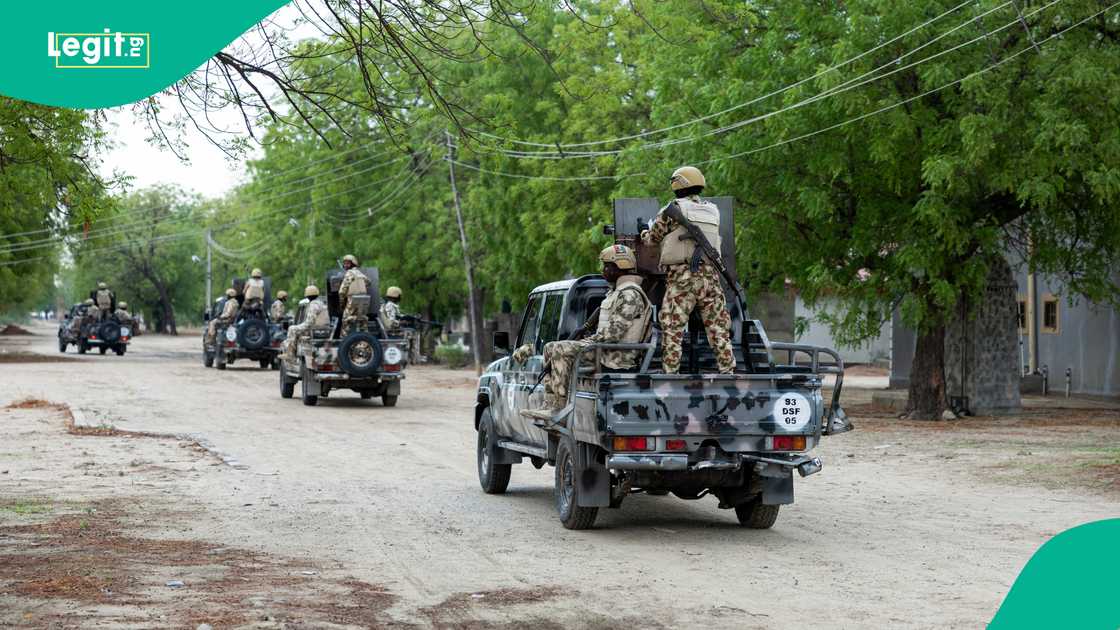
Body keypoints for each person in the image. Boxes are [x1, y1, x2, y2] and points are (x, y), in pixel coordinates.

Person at [512, 245, 652, 420]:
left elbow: (614, 333)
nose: (603, 271)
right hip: (606, 351)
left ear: (619, 267)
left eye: (607, 266)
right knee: (550, 347)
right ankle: (549, 404)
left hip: (617, 357)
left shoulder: (630, 294)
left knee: (561, 349)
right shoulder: (617, 292)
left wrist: (586, 341)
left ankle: (558, 407)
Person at [641, 165, 736, 374]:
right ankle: (728, 371)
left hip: (682, 278)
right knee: (719, 328)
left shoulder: (672, 209)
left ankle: (670, 374)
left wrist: (644, 233)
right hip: (711, 277)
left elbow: (652, 239)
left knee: (672, 328)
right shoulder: (713, 211)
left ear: (677, 184)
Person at [283, 285, 329, 361]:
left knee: (291, 329)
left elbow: (309, 323)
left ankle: (290, 355)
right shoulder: (321, 304)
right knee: (294, 329)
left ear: (307, 296)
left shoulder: (313, 305)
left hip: (313, 329)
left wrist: (298, 326)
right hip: (322, 328)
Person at [338, 254, 370, 332]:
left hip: (352, 301)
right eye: (344, 263)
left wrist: (341, 303)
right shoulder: (359, 273)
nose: (345, 265)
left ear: (353, 263)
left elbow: (342, 291)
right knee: (361, 319)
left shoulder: (349, 273)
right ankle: (364, 337)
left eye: (347, 263)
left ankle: (345, 338)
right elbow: (368, 282)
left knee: (346, 320)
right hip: (364, 300)